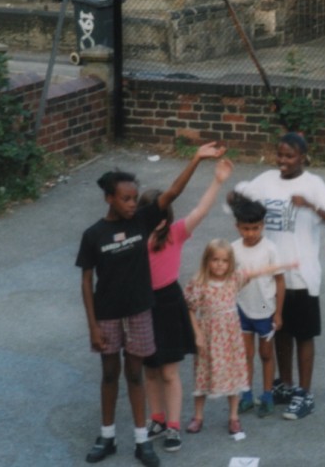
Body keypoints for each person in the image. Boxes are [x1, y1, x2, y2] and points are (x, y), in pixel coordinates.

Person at [76, 142, 223, 466]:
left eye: (134, 198)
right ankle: (107, 436)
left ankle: (143, 441)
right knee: (110, 374)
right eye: (125, 199)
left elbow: (172, 193)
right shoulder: (93, 234)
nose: (131, 204)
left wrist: (197, 158)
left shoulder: (141, 221)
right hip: (108, 315)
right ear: (109, 199)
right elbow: (87, 281)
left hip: (141, 312)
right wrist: (93, 325)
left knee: (136, 374)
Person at [231, 132, 325, 420]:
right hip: (272, 274)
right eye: (279, 155)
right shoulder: (266, 180)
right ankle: (285, 383)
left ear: (303, 157)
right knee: (280, 331)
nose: (283, 161)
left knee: (304, 335)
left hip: (302, 273)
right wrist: (235, 195)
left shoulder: (313, 184)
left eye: (289, 156)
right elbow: (240, 202)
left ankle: (304, 393)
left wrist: (310, 206)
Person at [139, 155, 234, 453]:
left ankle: (173, 426)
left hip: (168, 303)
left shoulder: (176, 234)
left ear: (165, 217)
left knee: (168, 371)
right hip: (143, 304)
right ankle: (156, 418)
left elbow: (201, 210)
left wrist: (217, 181)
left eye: (155, 215)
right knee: (150, 369)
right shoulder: (136, 237)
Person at [183, 239, 297, 439]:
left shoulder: (234, 279)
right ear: (207, 260)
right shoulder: (199, 283)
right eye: (215, 260)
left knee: (232, 375)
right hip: (209, 337)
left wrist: (283, 265)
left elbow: (259, 271)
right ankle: (198, 416)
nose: (219, 264)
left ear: (230, 263)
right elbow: (190, 309)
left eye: (225, 261)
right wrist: (197, 334)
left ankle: (234, 417)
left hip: (229, 338)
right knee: (202, 375)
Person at [229, 197, 285, 418]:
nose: (250, 233)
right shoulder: (232, 249)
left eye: (255, 228)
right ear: (237, 227)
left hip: (265, 307)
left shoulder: (271, 249)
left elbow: (280, 281)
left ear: (262, 225)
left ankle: (268, 395)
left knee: (265, 354)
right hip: (242, 307)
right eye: (246, 228)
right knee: (246, 354)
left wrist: (278, 312)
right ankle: (246, 395)